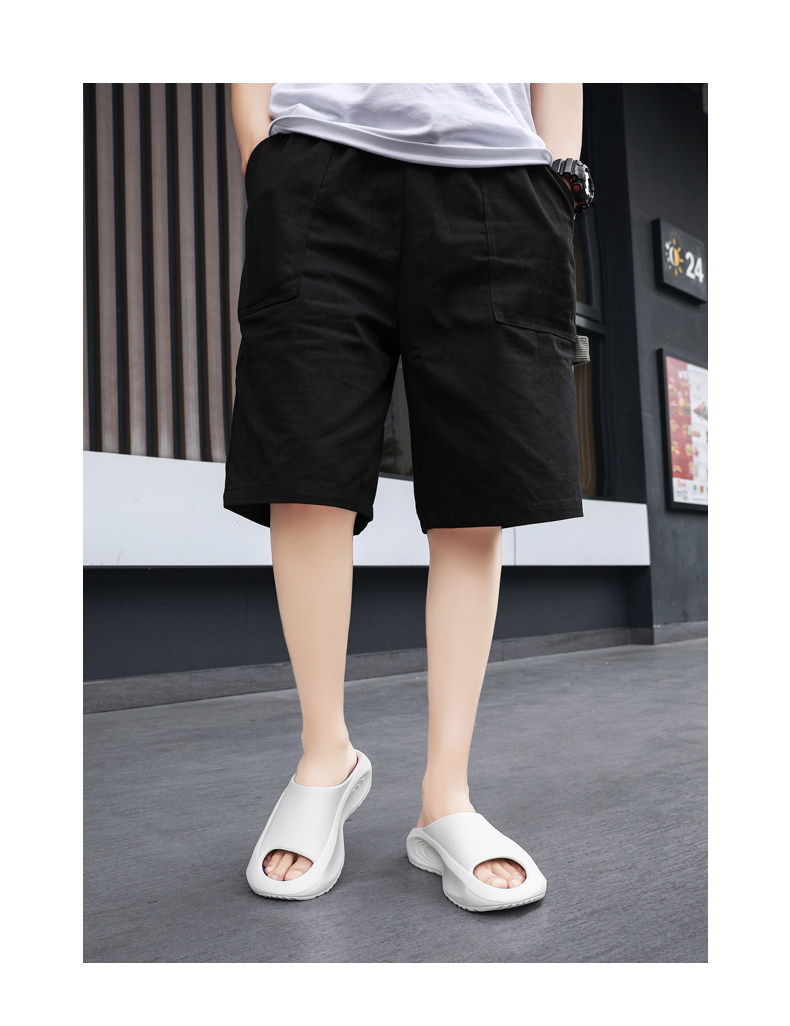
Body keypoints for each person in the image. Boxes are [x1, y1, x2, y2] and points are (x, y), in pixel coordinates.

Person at [223, 83, 593, 912]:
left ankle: (445, 797)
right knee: (303, 472)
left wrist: (560, 175)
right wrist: (265, 162)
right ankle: (325, 758)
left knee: (477, 495)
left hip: (499, 174)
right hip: (316, 161)